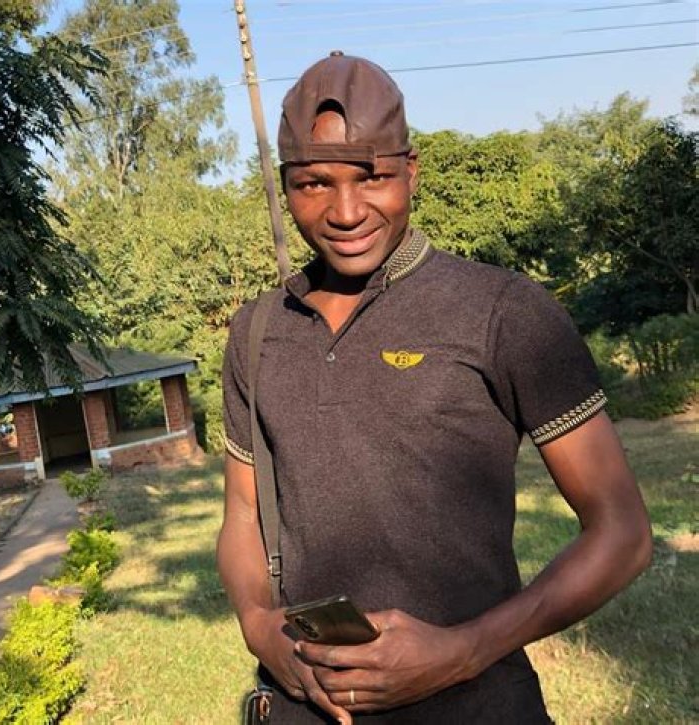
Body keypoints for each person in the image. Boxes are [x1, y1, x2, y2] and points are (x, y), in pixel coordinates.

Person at [217, 52, 652, 724]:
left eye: (373, 177)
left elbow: (623, 533)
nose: (346, 211)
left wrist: (463, 650)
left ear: (411, 171)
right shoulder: (257, 331)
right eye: (314, 184)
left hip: (480, 706)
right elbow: (242, 515)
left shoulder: (503, 311)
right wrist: (257, 625)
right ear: (285, 186)